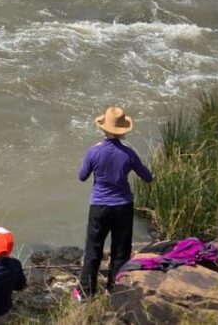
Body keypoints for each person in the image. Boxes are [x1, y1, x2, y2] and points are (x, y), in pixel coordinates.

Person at [78, 106, 154, 297]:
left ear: (103, 128)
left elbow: (82, 176)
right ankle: (115, 290)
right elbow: (147, 177)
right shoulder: (129, 153)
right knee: (121, 251)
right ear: (123, 131)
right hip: (123, 207)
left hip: (100, 206)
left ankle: (86, 293)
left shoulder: (93, 151)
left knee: (93, 250)